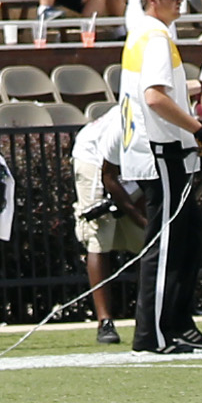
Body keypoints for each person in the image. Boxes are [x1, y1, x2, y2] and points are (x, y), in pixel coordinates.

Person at [122, 0, 202, 353]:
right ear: (152, 0)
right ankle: (153, 334)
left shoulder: (146, 33)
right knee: (166, 242)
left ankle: (174, 322)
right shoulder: (156, 35)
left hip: (152, 147)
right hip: (160, 148)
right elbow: (154, 97)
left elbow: (163, 91)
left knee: (187, 235)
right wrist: (198, 128)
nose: (180, 2)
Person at [70, 102, 148, 344]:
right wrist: (139, 217)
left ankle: (149, 315)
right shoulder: (125, 124)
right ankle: (105, 321)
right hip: (95, 162)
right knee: (99, 237)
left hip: (127, 164)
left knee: (147, 242)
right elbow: (109, 177)